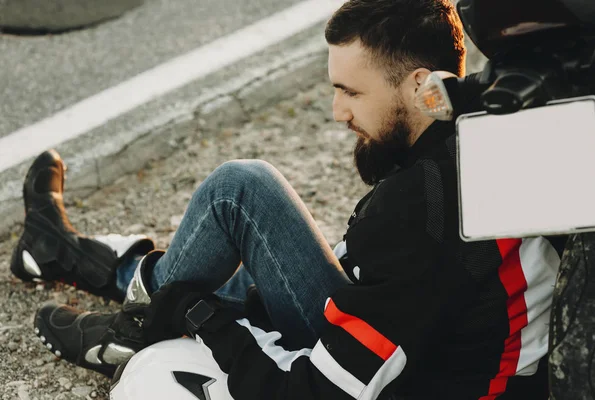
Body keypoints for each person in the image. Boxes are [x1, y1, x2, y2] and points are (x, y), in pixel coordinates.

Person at [12, 0, 566, 398]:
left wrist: (205, 319)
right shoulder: (494, 136)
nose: (337, 112)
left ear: (423, 86)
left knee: (240, 191)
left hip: (419, 377)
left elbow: (312, 392)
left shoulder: (418, 210)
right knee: (242, 263)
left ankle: (133, 326)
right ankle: (67, 254)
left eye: (350, 91)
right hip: (449, 345)